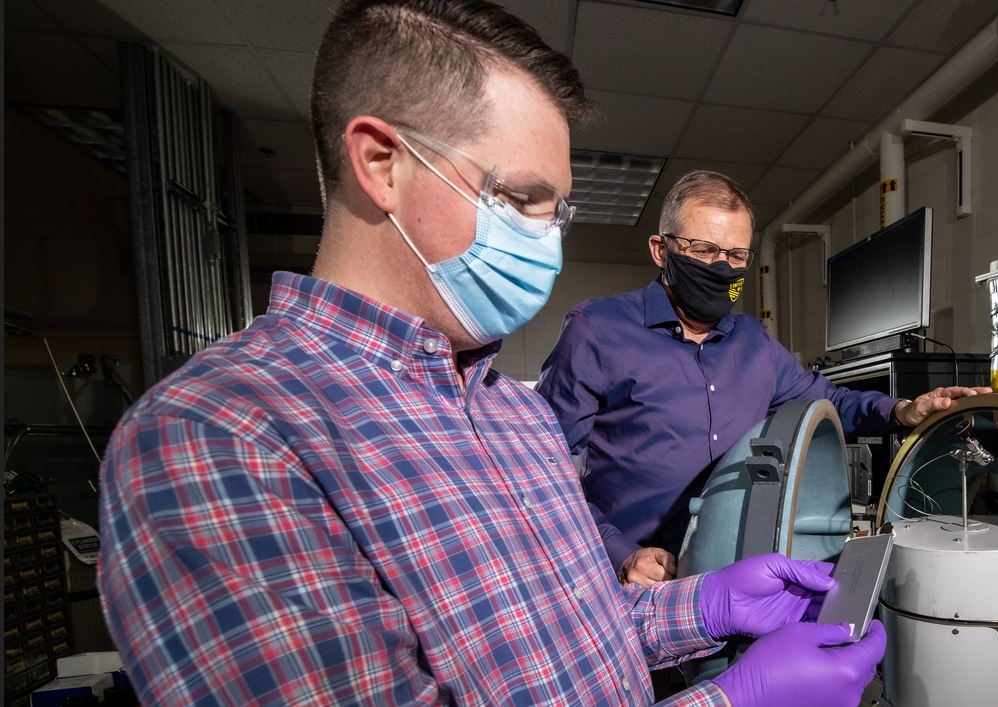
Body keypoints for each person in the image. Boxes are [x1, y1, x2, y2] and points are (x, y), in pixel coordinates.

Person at [95, 2, 886, 705]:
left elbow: (574, 641)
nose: (548, 236)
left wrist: (706, 603)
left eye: (558, 209)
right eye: (520, 200)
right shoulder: (220, 437)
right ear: (382, 162)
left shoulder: (510, 412)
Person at [537, 170, 989, 587]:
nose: (721, 267)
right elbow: (541, 472)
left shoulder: (753, 343)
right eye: (704, 250)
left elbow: (829, 402)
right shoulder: (598, 330)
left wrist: (902, 410)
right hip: (634, 582)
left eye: (735, 255)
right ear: (661, 250)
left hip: (732, 576)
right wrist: (619, 554)